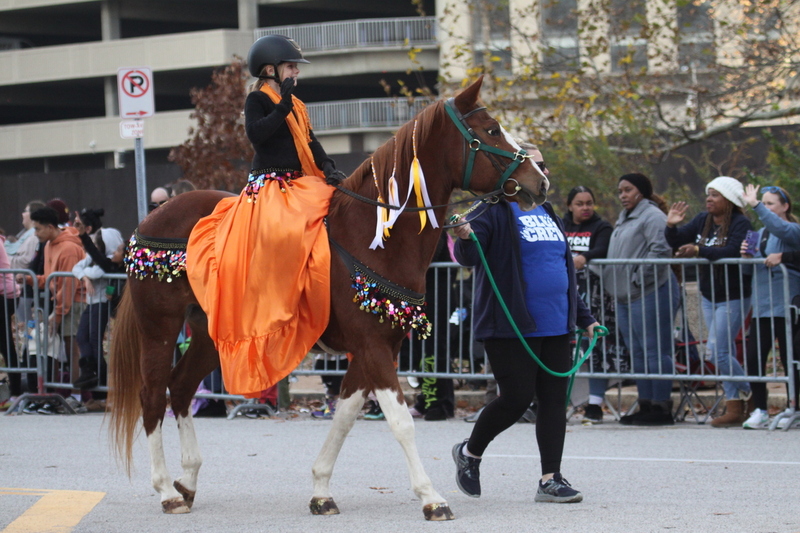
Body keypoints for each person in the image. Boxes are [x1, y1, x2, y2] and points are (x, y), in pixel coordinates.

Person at [185, 35, 347, 399]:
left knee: (337, 209)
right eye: (291, 67)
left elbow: (310, 140)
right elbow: (258, 136)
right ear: (270, 69)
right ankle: (281, 302)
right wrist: (283, 104)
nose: (295, 73)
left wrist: (328, 165)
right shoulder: (257, 99)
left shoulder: (297, 104)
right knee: (285, 231)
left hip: (301, 180)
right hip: (270, 184)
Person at [450, 143, 599, 502]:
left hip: (556, 323)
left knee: (553, 401)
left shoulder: (548, 210)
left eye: (544, 166)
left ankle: (551, 479)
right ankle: (469, 453)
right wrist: (464, 236)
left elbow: (561, 269)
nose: (542, 172)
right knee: (516, 399)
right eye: (534, 165)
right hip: (511, 324)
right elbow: (469, 255)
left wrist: (585, 318)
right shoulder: (492, 208)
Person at [665, 176, 753, 427]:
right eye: (708, 194)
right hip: (708, 295)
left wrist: (698, 250)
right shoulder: (703, 220)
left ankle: (751, 392)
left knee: (716, 351)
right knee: (723, 351)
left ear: (729, 200)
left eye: (715, 195)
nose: (709, 199)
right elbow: (677, 240)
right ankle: (736, 407)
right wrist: (671, 226)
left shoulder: (740, 223)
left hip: (733, 295)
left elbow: (732, 251)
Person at [603, 173, 679, 426]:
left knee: (655, 350)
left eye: (628, 190)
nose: (623, 195)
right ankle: (645, 404)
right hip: (626, 296)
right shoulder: (625, 217)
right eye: (620, 191)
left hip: (650, 291)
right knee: (637, 352)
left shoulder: (652, 216)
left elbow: (661, 249)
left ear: (642, 191)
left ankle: (661, 407)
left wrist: (638, 278)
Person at [739, 184, 800, 429]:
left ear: (785, 206)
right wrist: (744, 258)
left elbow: (779, 228)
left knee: (790, 359)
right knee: (754, 358)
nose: (765, 207)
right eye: (763, 203)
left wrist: (755, 205)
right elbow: (747, 272)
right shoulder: (757, 234)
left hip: (787, 305)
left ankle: (793, 407)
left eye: (770, 203)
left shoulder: (792, 229)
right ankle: (760, 410)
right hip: (762, 306)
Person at [19, 207, 86, 407]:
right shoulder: (48, 245)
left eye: (38, 229)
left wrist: (57, 316)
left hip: (73, 302)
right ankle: (53, 392)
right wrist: (31, 280)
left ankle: (76, 396)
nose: (36, 233)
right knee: (53, 347)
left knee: (72, 348)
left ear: (50, 227)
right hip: (58, 301)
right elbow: (51, 279)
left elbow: (68, 285)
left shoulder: (68, 249)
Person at [561, 185, 616, 424]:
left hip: (594, 296)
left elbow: (603, 248)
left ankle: (595, 404)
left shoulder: (601, 227)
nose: (586, 208)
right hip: (564, 295)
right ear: (570, 206)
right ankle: (557, 402)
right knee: (563, 349)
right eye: (580, 203)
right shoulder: (560, 225)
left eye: (589, 203)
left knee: (595, 349)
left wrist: (585, 257)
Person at [71, 208, 124, 390]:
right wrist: (85, 278)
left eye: (97, 242)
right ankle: (89, 370)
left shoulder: (108, 262)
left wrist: (86, 275)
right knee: (82, 336)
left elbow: (96, 272)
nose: (94, 244)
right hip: (92, 302)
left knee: (95, 340)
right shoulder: (96, 258)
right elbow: (77, 268)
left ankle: (100, 383)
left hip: (101, 302)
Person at [405, 232, 456, 421]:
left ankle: (440, 403)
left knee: (434, 348)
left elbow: (426, 256)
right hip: (420, 296)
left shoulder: (434, 228)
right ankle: (426, 399)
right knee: (421, 349)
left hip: (436, 297)